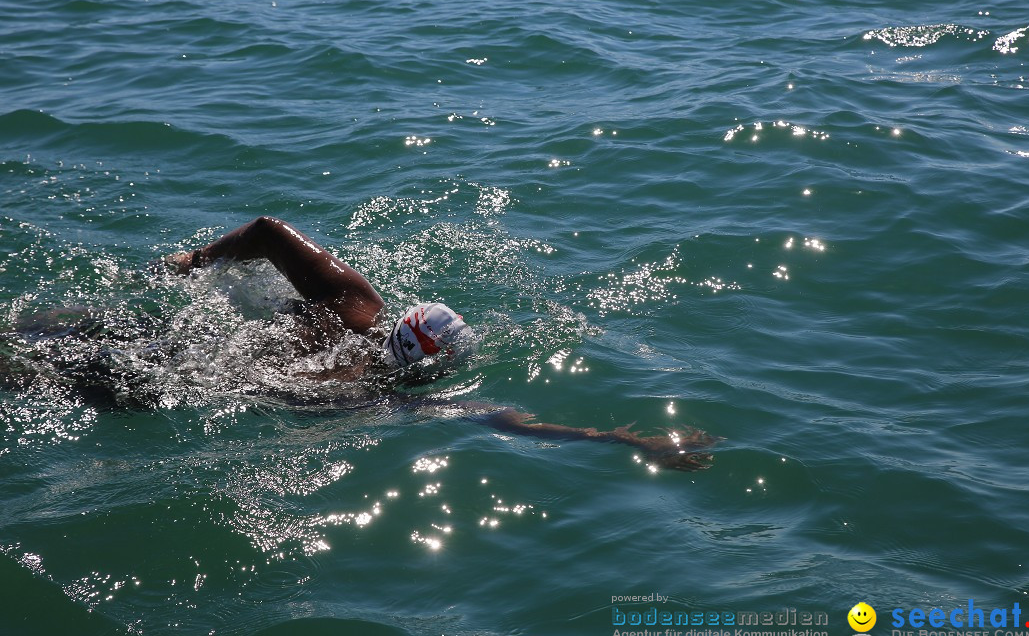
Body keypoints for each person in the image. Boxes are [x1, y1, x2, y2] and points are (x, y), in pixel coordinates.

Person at [167, 216, 716, 470]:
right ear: (423, 371)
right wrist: (629, 442)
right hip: (185, 383)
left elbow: (265, 228)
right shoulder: (370, 395)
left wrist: (195, 262)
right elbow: (503, 418)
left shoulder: (353, 304)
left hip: (188, 341)